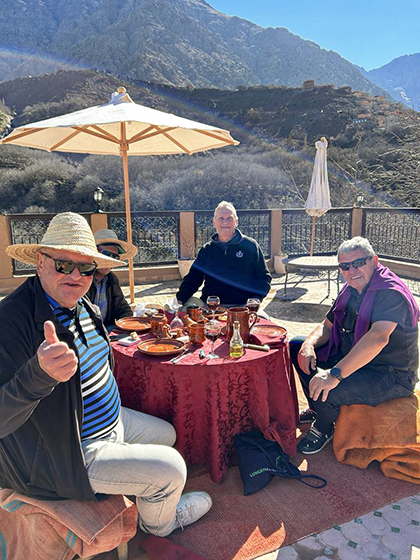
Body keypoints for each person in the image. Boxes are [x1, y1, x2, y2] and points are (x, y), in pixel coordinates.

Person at [0, 212, 212, 537]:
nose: (75, 275)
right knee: (172, 469)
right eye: (63, 264)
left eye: (85, 267)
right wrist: (38, 375)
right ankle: (159, 524)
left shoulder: (82, 305)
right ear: (40, 262)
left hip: (110, 424)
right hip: (66, 451)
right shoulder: (11, 321)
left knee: (168, 433)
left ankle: (143, 489)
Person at [291, 236, 419, 455]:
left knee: (327, 389)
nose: (352, 270)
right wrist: (309, 345)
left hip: (389, 373)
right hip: (353, 358)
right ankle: (319, 409)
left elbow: (378, 337)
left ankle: (324, 427)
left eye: (358, 263)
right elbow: (328, 327)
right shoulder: (349, 290)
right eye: (345, 266)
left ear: (374, 261)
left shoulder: (389, 292)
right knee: (297, 345)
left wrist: (334, 374)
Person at [176, 201, 272, 308]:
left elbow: (263, 278)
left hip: (242, 307)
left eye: (229, 218)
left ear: (236, 222)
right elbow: (193, 279)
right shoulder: (207, 249)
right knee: (184, 311)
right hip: (210, 307)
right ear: (214, 222)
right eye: (221, 218)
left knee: (264, 321)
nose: (225, 222)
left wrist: (255, 299)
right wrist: (179, 299)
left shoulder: (251, 246)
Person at [87, 229, 136, 329]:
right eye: (105, 253)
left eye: (114, 256)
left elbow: (122, 308)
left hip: (108, 331)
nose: (110, 260)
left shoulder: (112, 279)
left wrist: (128, 325)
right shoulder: (83, 279)